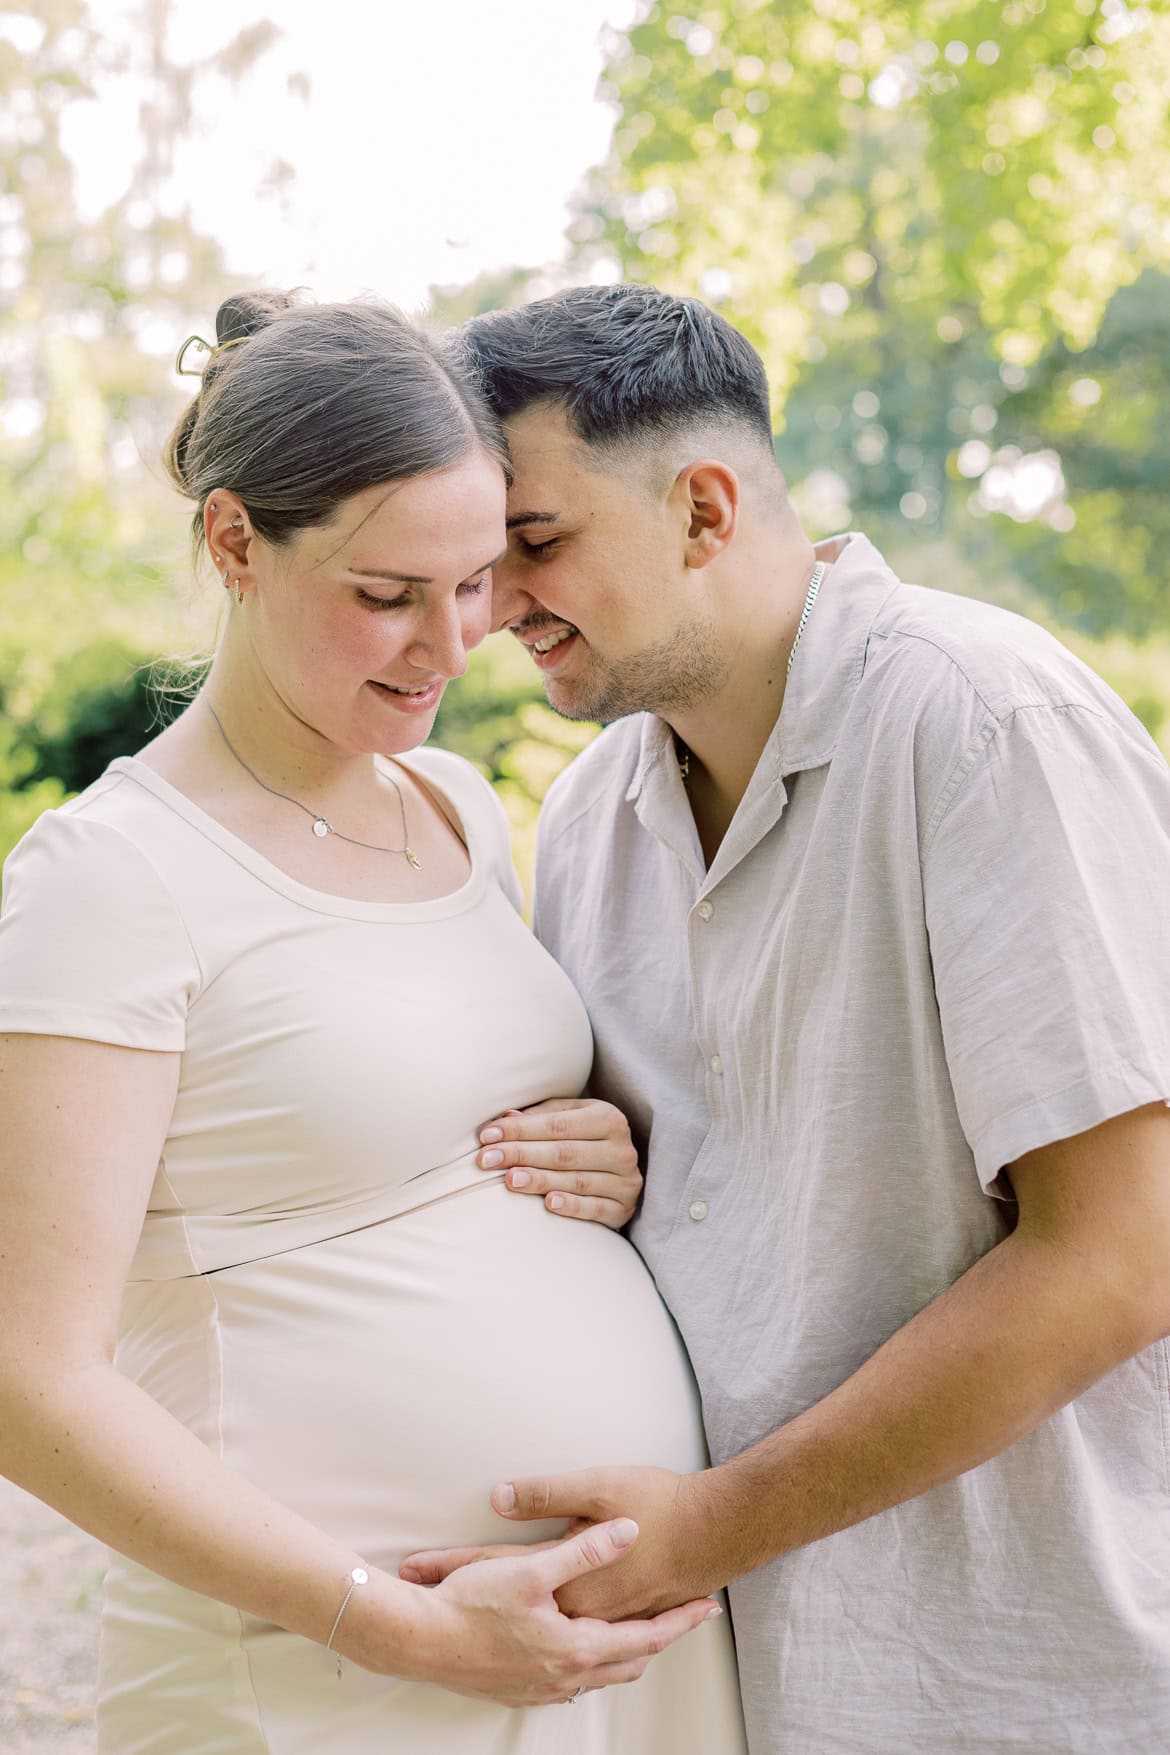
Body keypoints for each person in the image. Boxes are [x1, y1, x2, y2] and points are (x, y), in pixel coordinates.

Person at [403, 284, 1170, 1754]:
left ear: (702, 509)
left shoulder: (985, 727)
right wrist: (602, 1168)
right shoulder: (587, 823)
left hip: (1033, 1678)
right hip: (740, 1689)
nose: (487, 607)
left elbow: (1121, 1255)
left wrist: (701, 1531)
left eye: (535, 542)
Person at [0, 291, 745, 1755]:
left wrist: (601, 1144)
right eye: (387, 592)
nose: (450, 644)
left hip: (584, 1660)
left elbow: (403, 1120)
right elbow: (29, 1378)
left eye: (475, 582)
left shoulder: (456, 810)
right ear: (233, 544)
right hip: (317, 1673)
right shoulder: (109, 880)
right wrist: (399, 1625)